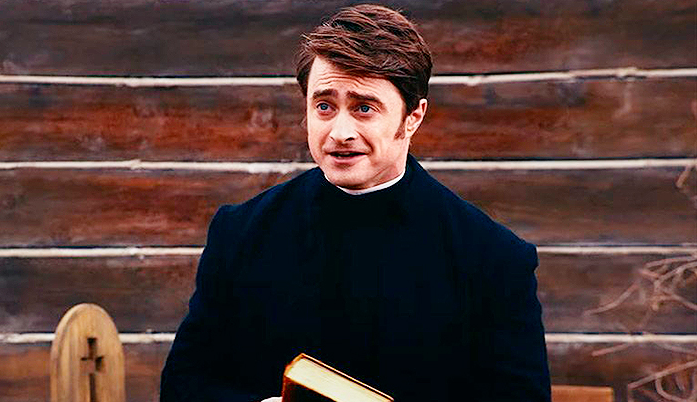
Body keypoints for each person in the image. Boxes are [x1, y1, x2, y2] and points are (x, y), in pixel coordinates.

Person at [161, 4, 550, 401]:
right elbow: (183, 384)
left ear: (413, 116)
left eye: (364, 108)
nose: (340, 132)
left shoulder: (493, 259)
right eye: (324, 106)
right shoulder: (240, 232)